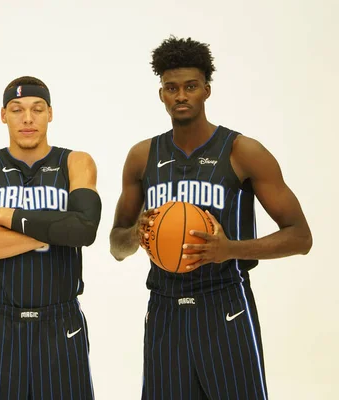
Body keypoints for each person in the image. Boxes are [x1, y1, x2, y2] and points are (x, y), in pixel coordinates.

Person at [109, 36, 312, 400]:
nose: (181, 95)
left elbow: (301, 237)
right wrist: (136, 236)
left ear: (206, 90)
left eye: (190, 87)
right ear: (161, 95)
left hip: (224, 305)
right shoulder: (142, 157)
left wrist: (229, 248)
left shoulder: (242, 151)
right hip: (164, 308)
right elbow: (116, 245)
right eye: (172, 88)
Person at [0, 76, 101, 399]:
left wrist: (8, 218)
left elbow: (85, 230)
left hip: (61, 322)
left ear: (50, 113)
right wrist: (51, 233)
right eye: (17, 110)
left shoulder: (76, 162)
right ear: (3, 115)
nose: (28, 119)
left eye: (37, 109)